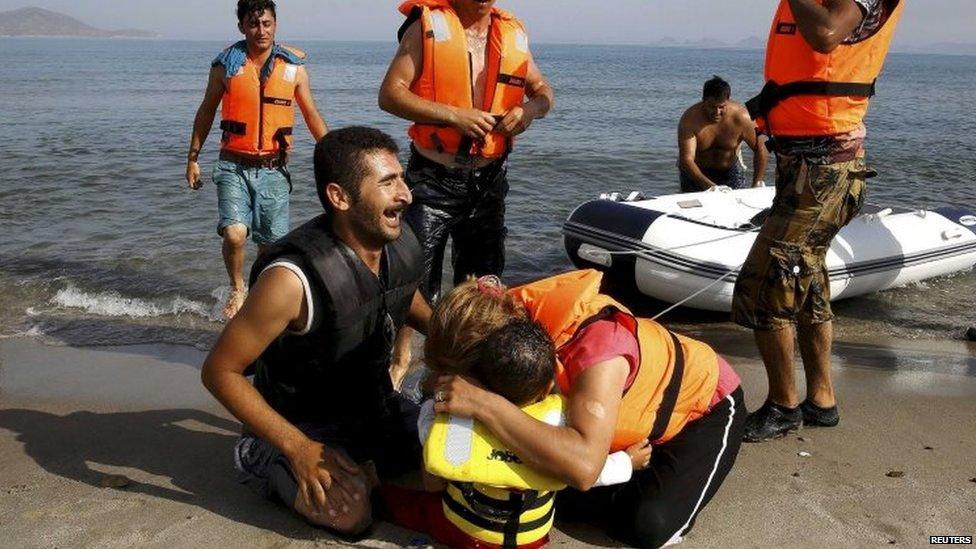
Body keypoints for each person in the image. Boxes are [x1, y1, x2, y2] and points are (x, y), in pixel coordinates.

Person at [200, 127, 431, 536]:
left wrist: (478, 333)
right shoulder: (291, 279)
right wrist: (299, 448)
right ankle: (263, 459)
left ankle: (371, 463)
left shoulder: (396, 240)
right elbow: (219, 372)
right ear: (339, 197)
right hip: (302, 428)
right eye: (387, 183)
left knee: (462, 446)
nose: (405, 195)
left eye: (402, 179)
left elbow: (405, 303)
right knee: (351, 514)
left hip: (374, 411)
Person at [428, 269, 746, 548]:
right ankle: (615, 462)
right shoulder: (497, 317)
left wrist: (485, 404)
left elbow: (582, 469)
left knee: (647, 525)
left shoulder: (598, 348)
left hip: (703, 408)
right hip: (614, 423)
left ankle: (640, 474)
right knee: (539, 492)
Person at [733, 0, 904, 442]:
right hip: (803, 166)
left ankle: (783, 406)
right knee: (805, 282)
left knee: (766, 283)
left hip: (828, 169)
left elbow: (826, 34)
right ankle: (821, 401)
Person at [379, 296, 650, 549]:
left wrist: (432, 401)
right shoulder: (559, 426)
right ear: (548, 387)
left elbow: (433, 483)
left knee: (410, 504)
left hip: (461, 529)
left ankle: (372, 496)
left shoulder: (449, 420)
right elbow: (598, 471)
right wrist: (628, 461)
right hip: (528, 540)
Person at [378, 0, 555, 386]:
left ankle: (466, 368)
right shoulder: (426, 28)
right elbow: (390, 94)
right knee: (415, 277)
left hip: (489, 181)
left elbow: (544, 92)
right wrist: (453, 116)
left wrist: (528, 112)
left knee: (484, 284)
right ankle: (401, 357)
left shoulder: (511, 33)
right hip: (434, 178)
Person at [185, 0, 328, 320]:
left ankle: (261, 299)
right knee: (235, 233)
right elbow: (206, 111)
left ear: (275, 24)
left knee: (269, 247)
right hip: (232, 164)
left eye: (266, 23)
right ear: (242, 27)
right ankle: (237, 288)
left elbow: (311, 115)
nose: (260, 30)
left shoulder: (294, 68)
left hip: (273, 170)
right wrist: (193, 157)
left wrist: (337, 154)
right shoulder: (225, 66)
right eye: (253, 24)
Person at [677, 76, 768, 192]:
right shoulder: (689, 120)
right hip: (696, 172)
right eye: (712, 107)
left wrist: (757, 183)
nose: (717, 112)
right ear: (703, 101)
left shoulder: (742, 118)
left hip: (729, 171)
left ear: (728, 101)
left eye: (721, 107)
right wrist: (710, 187)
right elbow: (686, 160)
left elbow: (760, 148)